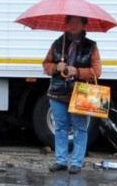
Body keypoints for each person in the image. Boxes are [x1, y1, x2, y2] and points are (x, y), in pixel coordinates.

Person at [43, 15, 102, 173]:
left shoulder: (91, 46)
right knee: (60, 127)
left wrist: (78, 71)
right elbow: (46, 65)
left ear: (84, 25)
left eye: (77, 22)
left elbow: (97, 71)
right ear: (66, 24)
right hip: (57, 92)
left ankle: (76, 162)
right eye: (71, 22)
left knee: (80, 128)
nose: (73, 25)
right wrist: (56, 67)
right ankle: (61, 160)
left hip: (80, 93)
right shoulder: (57, 44)